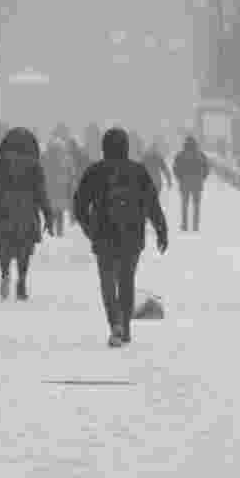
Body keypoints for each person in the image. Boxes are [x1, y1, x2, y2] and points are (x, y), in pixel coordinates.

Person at [73, 127, 168, 347]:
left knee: (107, 283)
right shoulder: (138, 172)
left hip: (103, 236)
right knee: (126, 282)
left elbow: (79, 205)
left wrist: (89, 228)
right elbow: (152, 204)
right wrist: (161, 231)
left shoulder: (95, 172)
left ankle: (114, 324)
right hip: (132, 237)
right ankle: (125, 326)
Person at [0, 127, 53, 301]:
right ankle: (21, 280)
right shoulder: (35, 164)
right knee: (25, 248)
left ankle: (5, 273)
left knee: (3, 246)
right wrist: (48, 214)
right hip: (27, 212)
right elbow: (41, 192)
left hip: (2, 210)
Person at [42, 127, 78, 237]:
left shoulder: (44, 157)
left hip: (49, 190)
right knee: (59, 212)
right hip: (61, 190)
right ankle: (59, 232)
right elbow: (72, 173)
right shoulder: (66, 158)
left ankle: (50, 230)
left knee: (51, 211)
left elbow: (40, 171)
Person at [172, 135, 210, 232]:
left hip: (184, 183)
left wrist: (180, 178)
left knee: (184, 204)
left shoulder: (180, 155)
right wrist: (202, 178)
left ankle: (185, 225)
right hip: (197, 183)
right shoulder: (200, 155)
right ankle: (195, 225)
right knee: (196, 205)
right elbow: (206, 168)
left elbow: (175, 168)